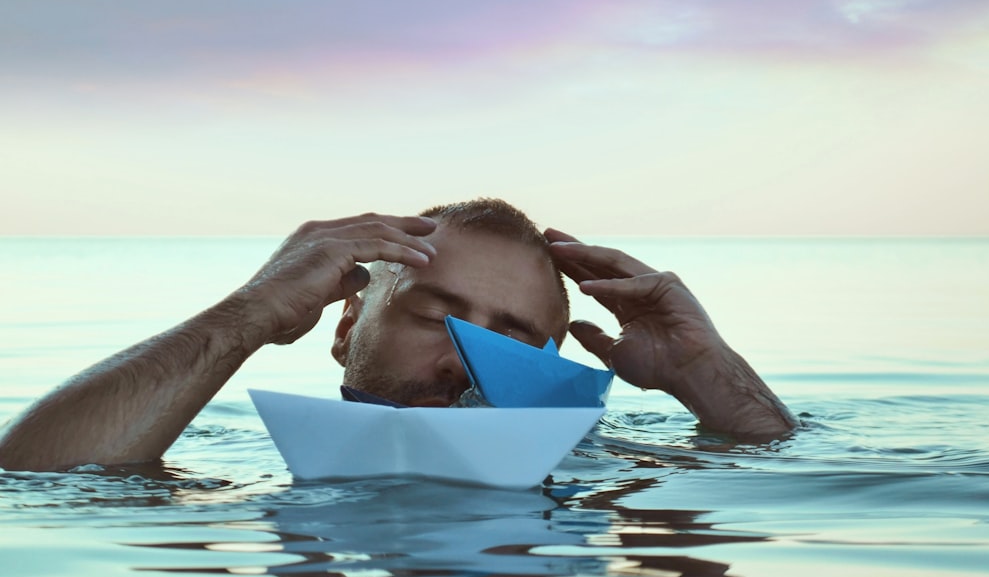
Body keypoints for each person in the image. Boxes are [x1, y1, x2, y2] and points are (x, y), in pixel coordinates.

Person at [0, 199, 797, 472]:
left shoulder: (609, 476)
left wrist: (707, 374)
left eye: (513, 338)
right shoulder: (253, 473)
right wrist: (247, 315)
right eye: (432, 315)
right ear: (346, 328)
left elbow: (774, 487)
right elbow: (30, 477)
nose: (465, 358)